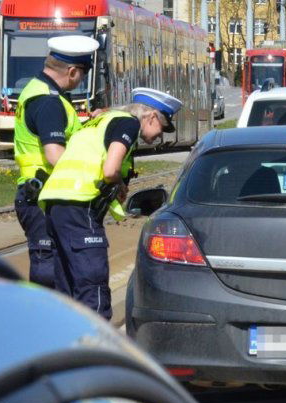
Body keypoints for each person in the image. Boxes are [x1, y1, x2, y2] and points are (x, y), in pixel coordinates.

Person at [38, 88, 181, 320]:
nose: (160, 136)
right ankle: (97, 347)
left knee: (66, 286)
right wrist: (120, 187)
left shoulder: (99, 121)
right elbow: (110, 169)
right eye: (162, 128)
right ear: (151, 117)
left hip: (55, 204)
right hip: (81, 206)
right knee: (91, 285)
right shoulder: (128, 124)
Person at [12, 35, 99, 290]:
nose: (82, 79)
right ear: (72, 71)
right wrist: (91, 175)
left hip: (37, 191)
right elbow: (55, 155)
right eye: (82, 73)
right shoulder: (49, 101)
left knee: (52, 266)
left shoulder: (36, 90)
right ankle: (41, 324)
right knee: (47, 271)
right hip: (43, 195)